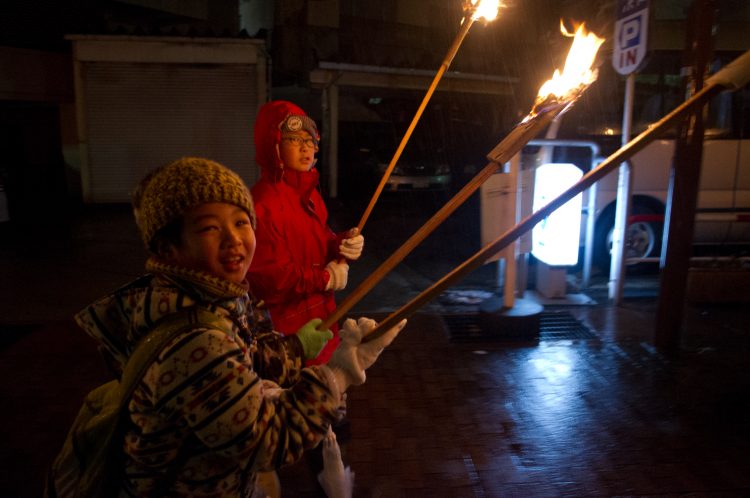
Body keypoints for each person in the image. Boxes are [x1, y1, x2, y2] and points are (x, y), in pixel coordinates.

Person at [70, 157, 404, 497]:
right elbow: (267, 440)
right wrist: (339, 374)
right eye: (210, 228)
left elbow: (239, 362)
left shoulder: (201, 301)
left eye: (242, 222)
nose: (234, 240)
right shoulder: (192, 341)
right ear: (168, 248)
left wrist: (295, 349)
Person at [248, 100, 364, 367]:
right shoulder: (262, 204)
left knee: (329, 400)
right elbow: (271, 278)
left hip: (321, 322)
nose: (306, 148)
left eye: (310, 141)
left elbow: (317, 242)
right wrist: (324, 278)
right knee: (302, 404)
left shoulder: (308, 193)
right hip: (287, 338)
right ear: (272, 145)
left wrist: (341, 244)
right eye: (293, 139)